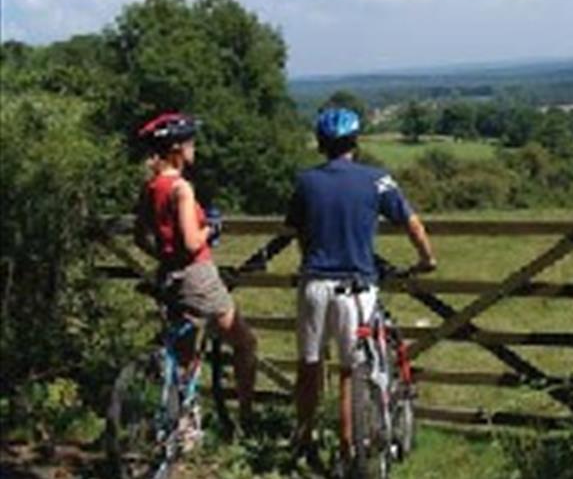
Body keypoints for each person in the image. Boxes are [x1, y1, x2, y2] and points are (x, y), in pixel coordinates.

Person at [285, 107, 436, 471]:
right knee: (351, 371)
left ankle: (303, 438)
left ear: (321, 144)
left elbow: (295, 230)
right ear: (356, 142)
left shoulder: (306, 181)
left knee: (309, 366)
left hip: (314, 284)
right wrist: (427, 259)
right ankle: (349, 446)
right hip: (356, 287)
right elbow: (412, 223)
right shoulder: (377, 179)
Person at [132, 112, 258, 433]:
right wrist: (211, 229)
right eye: (189, 141)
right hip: (197, 276)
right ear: (176, 148)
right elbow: (191, 241)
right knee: (245, 342)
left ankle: (182, 426)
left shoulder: (152, 186)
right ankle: (246, 418)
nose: (194, 147)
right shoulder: (181, 188)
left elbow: (139, 236)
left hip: (169, 276)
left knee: (184, 354)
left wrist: (163, 256)